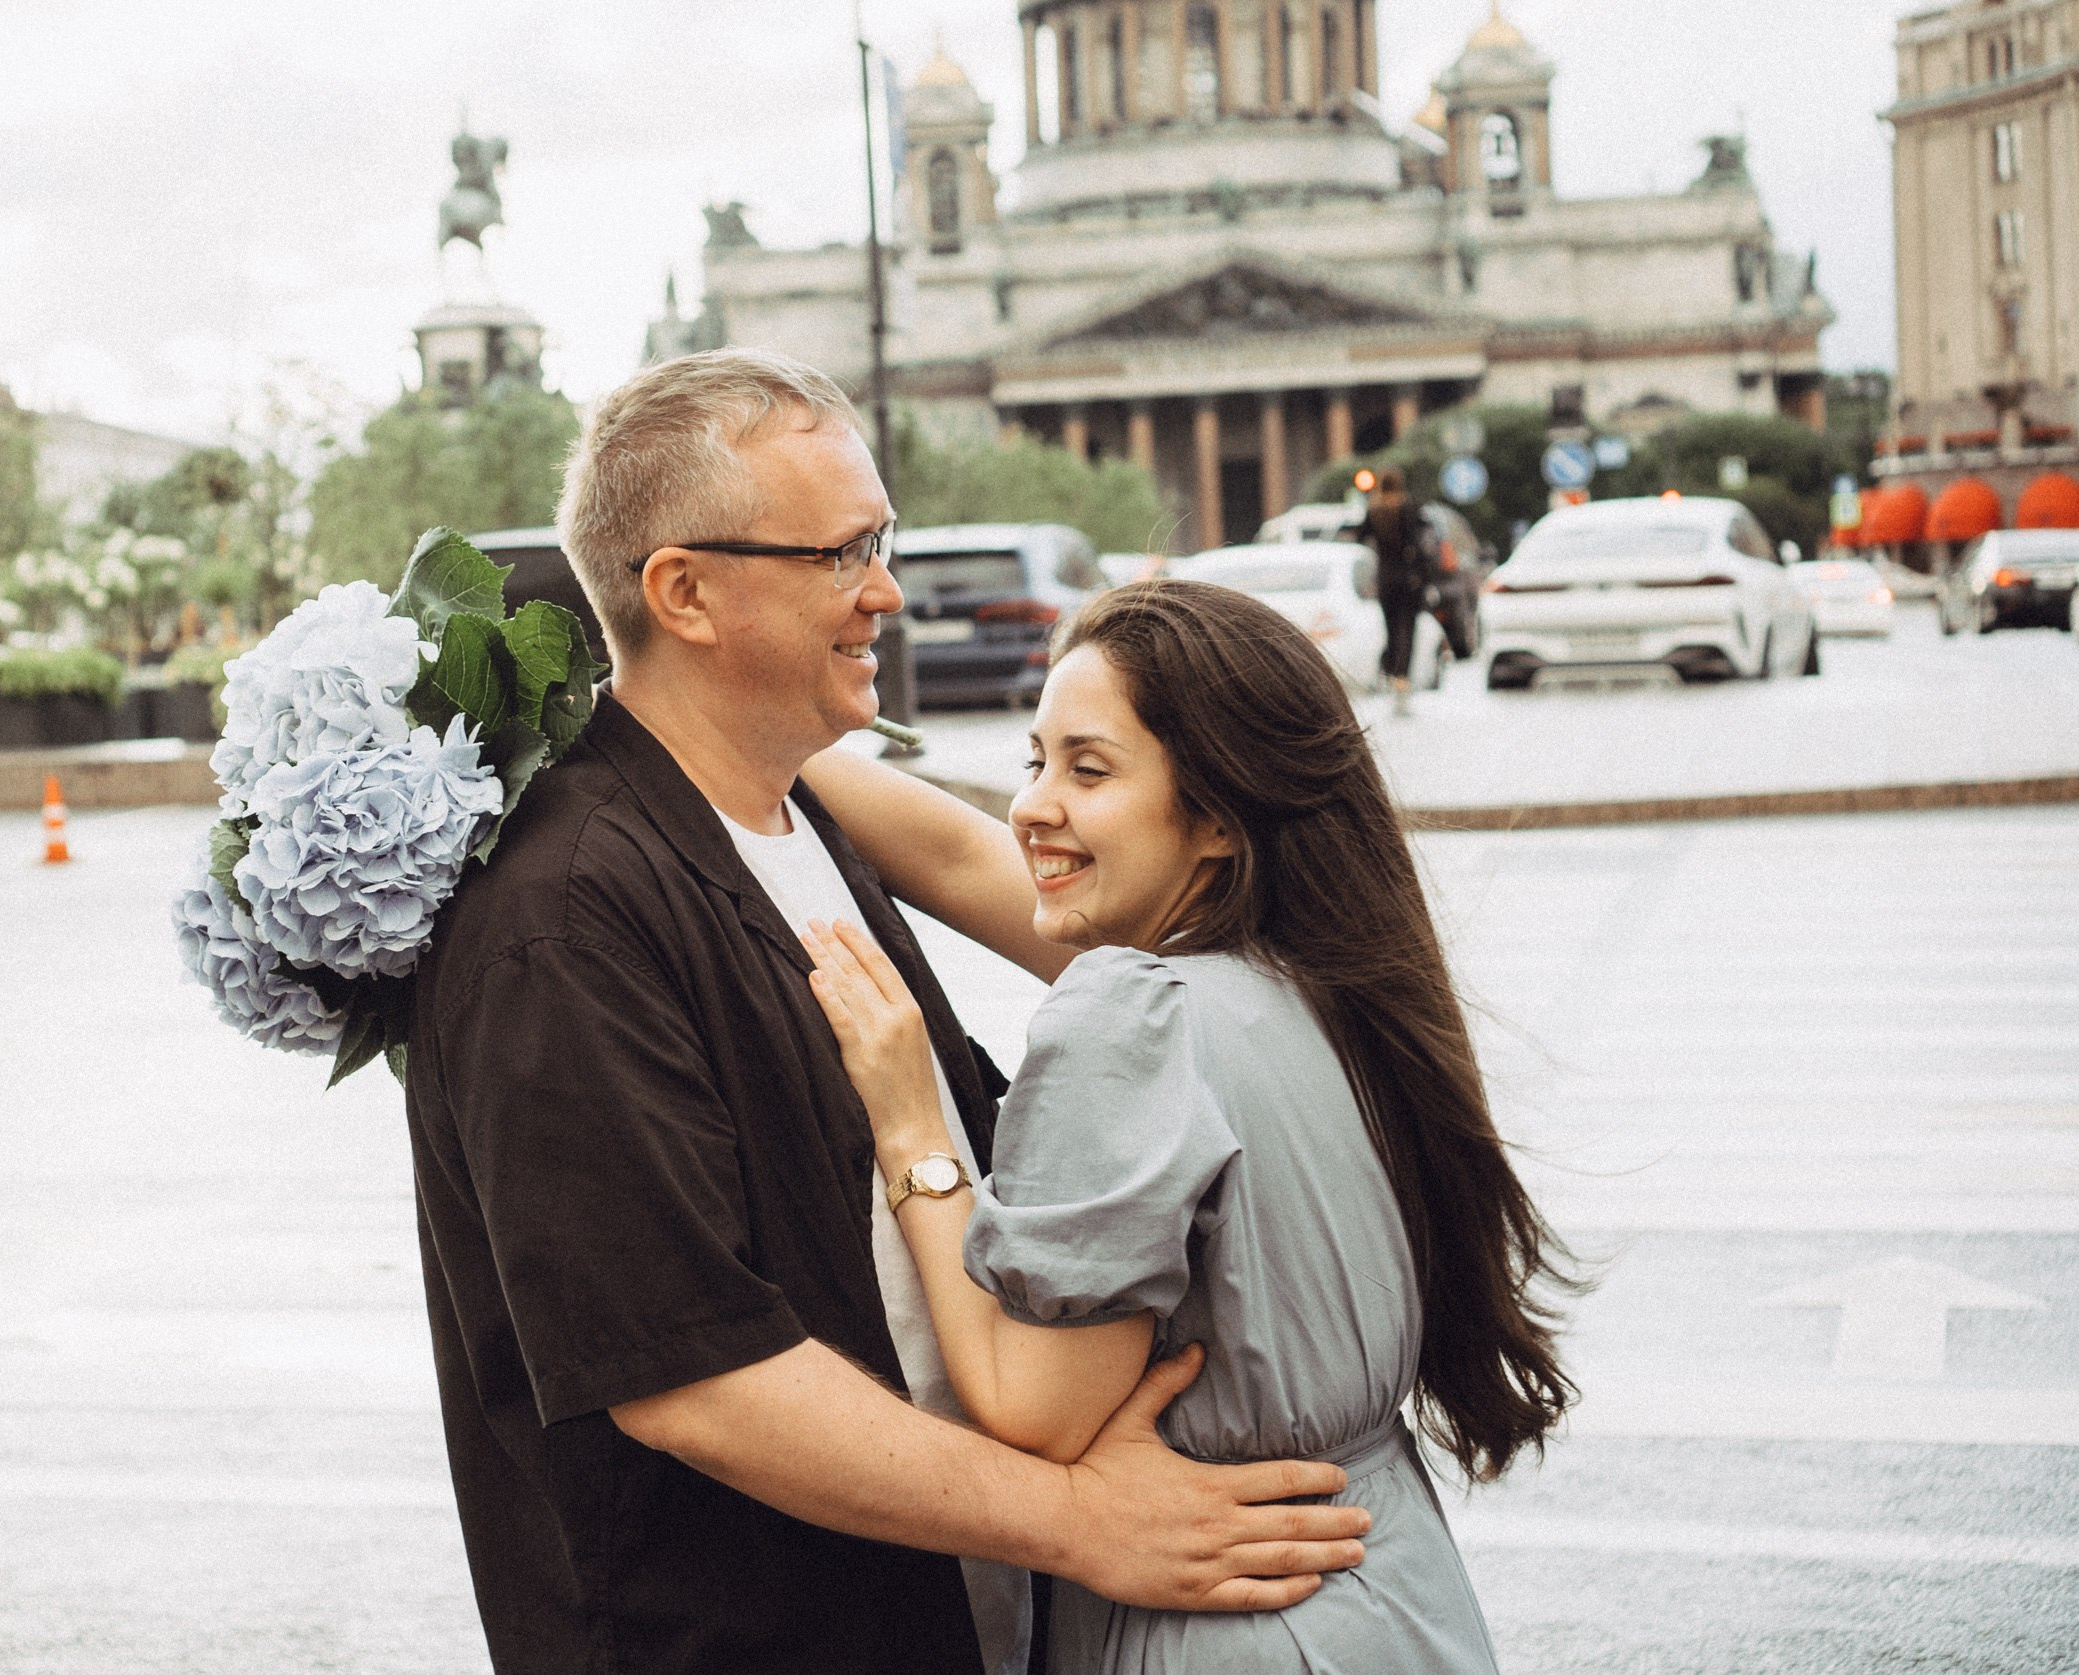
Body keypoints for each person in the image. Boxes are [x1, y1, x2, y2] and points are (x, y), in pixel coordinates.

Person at [402, 350, 1373, 1675]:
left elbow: (1013, 883)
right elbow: (697, 1378)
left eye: (884, 537)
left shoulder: (791, 807)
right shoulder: (566, 915)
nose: (888, 589)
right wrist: (1083, 1521)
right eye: (843, 550)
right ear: (684, 590)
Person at [795, 579, 1582, 1673]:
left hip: (1226, 1623)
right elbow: (966, 858)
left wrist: (912, 1127)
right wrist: (752, 737)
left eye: (1087, 768)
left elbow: (1033, 1409)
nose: (1030, 805)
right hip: (1396, 1607)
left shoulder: (1130, 1017)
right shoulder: (1332, 980)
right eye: (1033, 762)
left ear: (1215, 819)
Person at [1360, 470, 1431, 715]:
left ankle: (1391, 675)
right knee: (1407, 630)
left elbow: (1361, 536)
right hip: (1407, 580)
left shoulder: (1374, 509)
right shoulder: (1408, 507)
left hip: (1385, 579)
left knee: (1390, 629)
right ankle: (1402, 678)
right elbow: (1418, 542)